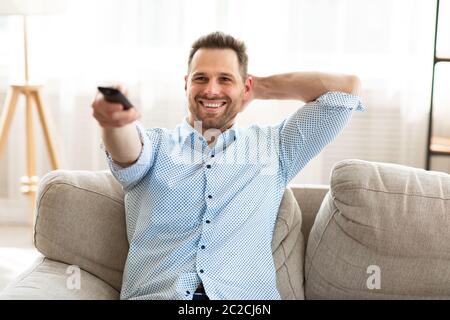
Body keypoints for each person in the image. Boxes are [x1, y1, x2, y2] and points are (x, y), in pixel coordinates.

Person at [91, 31, 364, 300]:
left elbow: (346, 89)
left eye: (225, 79)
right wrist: (114, 122)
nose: (211, 89)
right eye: (201, 78)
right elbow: (126, 148)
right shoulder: (155, 146)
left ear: (245, 87)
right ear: (186, 84)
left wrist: (260, 88)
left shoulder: (276, 148)